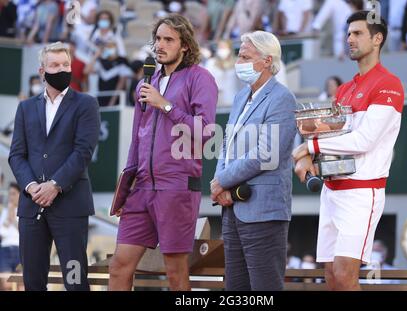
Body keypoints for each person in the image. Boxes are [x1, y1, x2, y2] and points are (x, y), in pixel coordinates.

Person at [292, 11, 404, 291]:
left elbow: (363, 140)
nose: (349, 39)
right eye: (348, 33)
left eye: (357, 33)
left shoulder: (389, 84)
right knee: (331, 277)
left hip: (361, 192)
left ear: (377, 39)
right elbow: (328, 136)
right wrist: (309, 154)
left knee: (344, 276)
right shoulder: (343, 89)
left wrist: (310, 146)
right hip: (331, 190)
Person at [108, 14, 218, 291]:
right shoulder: (147, 83)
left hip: (177, 187)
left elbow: (205, 131)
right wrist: (126, 187)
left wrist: (165, 105)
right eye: (158, 38)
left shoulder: (200, 78)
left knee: (175, 271)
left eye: (169, 39)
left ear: (184, 45)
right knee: (119, 266)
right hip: (141, 188)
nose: (160, 45)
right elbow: (137, 138)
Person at [8, 41, 100, 291]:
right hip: (31, 207)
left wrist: (55, 185)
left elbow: (83, 152)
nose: (62, 69)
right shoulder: (26, 108)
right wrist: (31, 186)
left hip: (70, 206)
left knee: (75, 281)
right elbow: (16, 154)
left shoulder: (86, 104)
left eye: (66, 64)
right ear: (42, 71)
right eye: (55, 65)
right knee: (33, 282)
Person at [211, 31, 297, 291]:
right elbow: (226, 145)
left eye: (245, 56)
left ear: (267, 60)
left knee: (265, 288)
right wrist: (220, 184)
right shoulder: (240, 97)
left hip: (264, 211)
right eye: (239, 55)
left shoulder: (282, 98)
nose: (239, 62)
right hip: (232, 209)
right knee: (235, 288)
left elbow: (265, 154)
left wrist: (222, 180)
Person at [204, 39, 241, 106]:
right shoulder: (211, 62)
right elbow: (206, 81)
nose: (222, 49)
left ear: (229, 49)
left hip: (234, 100)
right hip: (217, 101)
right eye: (220, 47)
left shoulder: (237, 62)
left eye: (224, 47)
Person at [0, 183, 20, 290]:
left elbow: (24, 233)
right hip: (5, 250)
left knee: (21, 284)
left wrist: (13, 220)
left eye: (13, 194)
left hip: (20, 250)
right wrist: (8, 218)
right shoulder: (5, 212)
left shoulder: (24, 212)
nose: (10, 197)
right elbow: (2, 233)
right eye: (9, 194)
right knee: (6, 284)